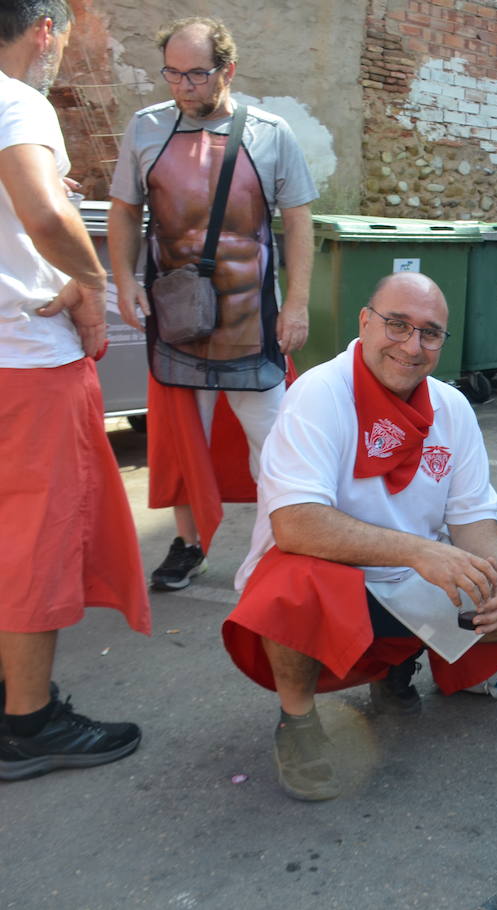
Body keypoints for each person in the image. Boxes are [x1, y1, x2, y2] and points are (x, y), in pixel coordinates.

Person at [222, 273, 497, 800]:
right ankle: (298, 721)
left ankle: (394, 666)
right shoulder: (320, 393)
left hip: (410, 575)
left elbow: (472, 514)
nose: (411, 346)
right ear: (365, 322)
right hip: (334, 576)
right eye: (397, 325)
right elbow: (297, 523)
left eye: (429, 333)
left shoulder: (452, 406)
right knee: (294, 581)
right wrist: (422, 552)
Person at [108, 16, 317, 591]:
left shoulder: (272, 133)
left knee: (277, 447)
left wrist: (296, 304)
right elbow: (125, 209)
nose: (182, 86)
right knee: (180, 447)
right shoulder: (146, 129)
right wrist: (125, 281)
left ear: (227, 69)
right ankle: (188, 543)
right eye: (172, 74)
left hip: (252, 318)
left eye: (196, 74)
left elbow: (298, 223)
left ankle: (280, 546)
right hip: (175, 317)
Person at [0, 0, 149, 781]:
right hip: (21, 361)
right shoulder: (15, 100)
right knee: (32, 542)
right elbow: (44, 212)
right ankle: (26, 723)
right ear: (44, 30)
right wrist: (91, 279)